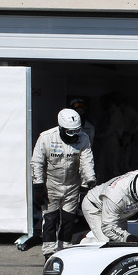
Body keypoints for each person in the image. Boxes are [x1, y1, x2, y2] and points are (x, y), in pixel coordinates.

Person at [31, 109, 96, 259]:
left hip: (72, 185)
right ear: (61, 127)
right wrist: (38, 185)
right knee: (50, 219)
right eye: (70, 132)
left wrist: (89, 182)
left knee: (68, 220)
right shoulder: (46, 138)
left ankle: (64, 250)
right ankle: (49, 252)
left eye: (76, 131)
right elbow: (37, 162)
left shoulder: (83, 138)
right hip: (51, 185)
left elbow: (87, 161)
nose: (74, 135)